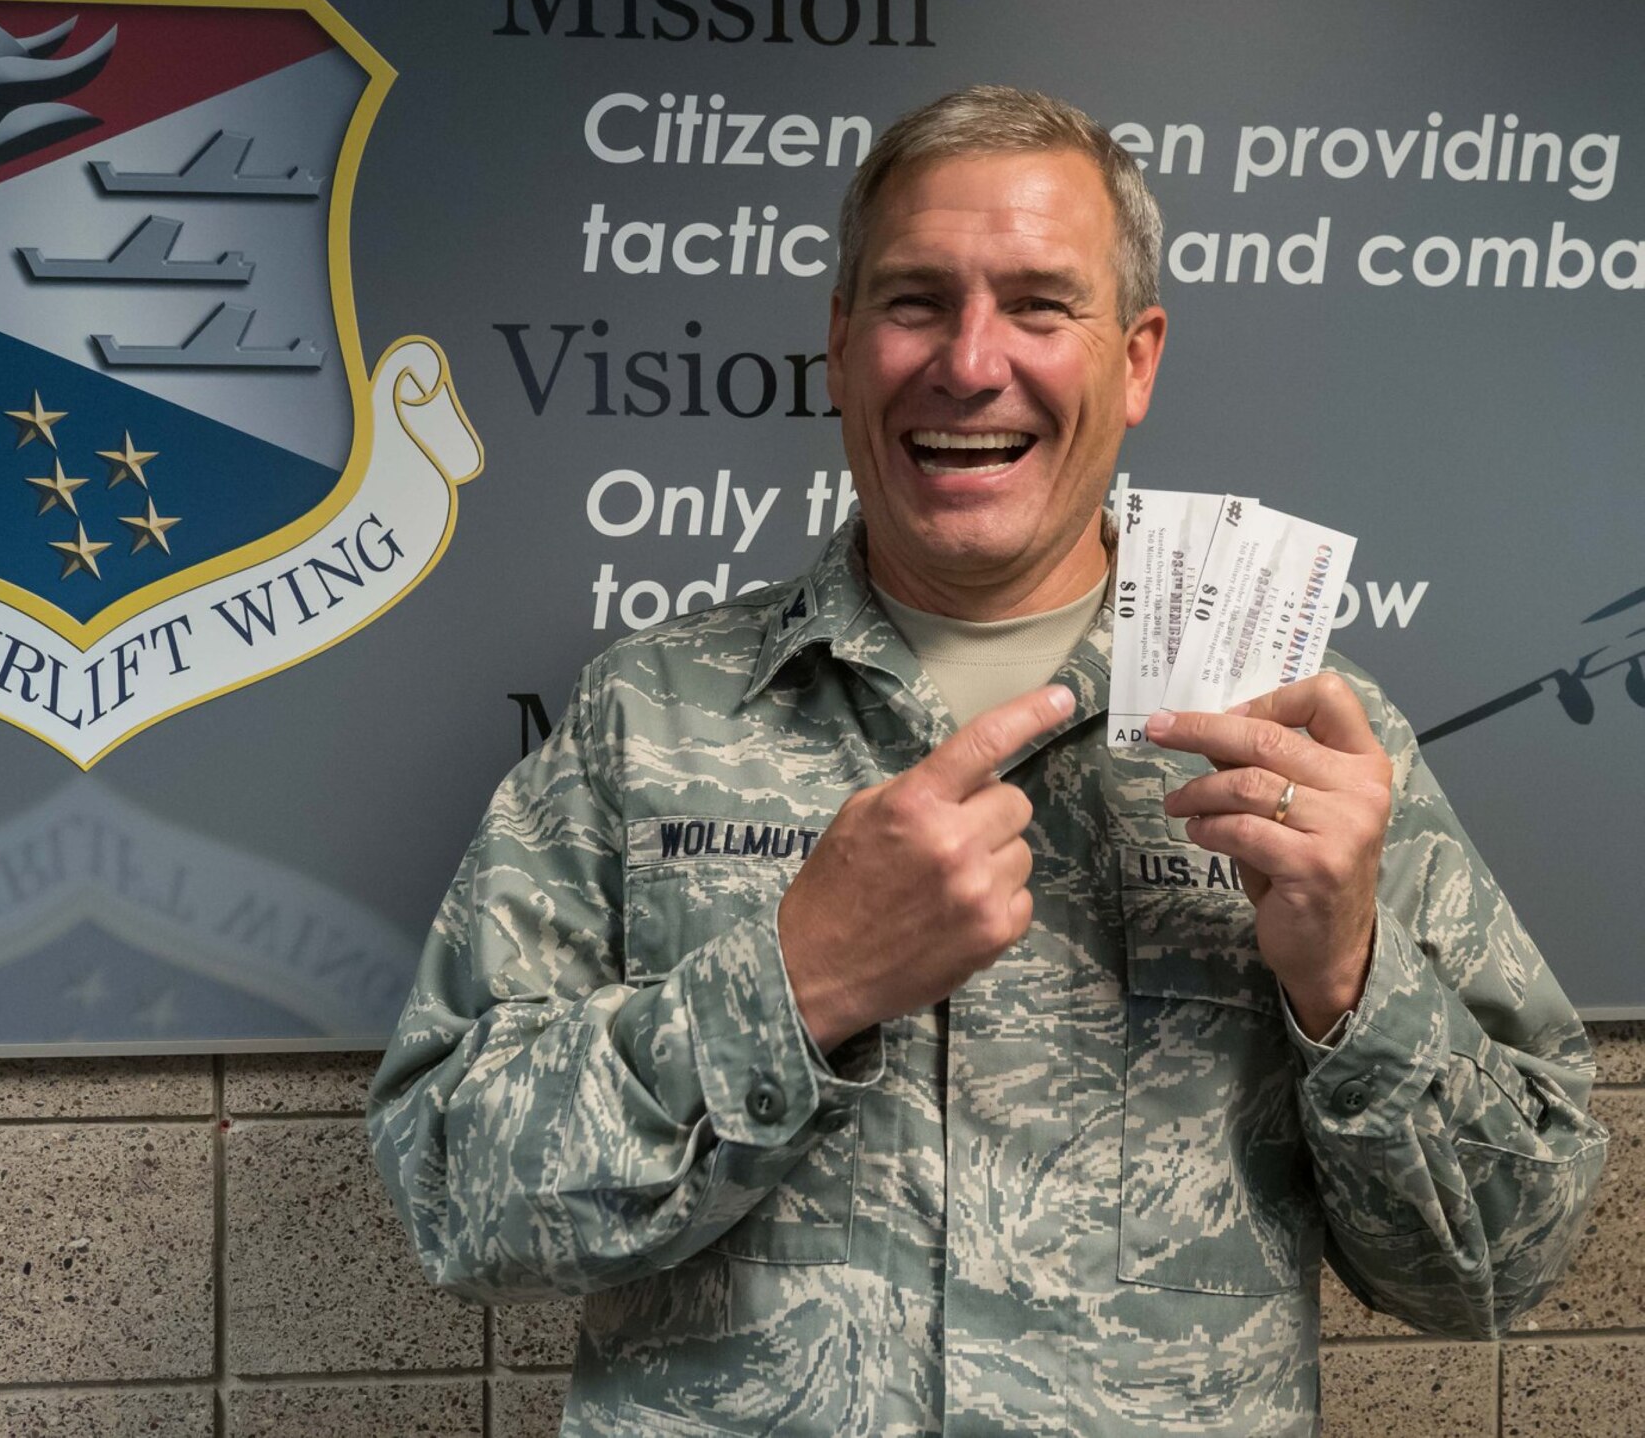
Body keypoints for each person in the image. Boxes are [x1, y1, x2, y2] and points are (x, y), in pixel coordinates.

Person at [367, 86, 1606, 1436]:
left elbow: (1502, 1259)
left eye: (1037, 304)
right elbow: (450, 1191)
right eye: (913, 301)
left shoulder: (1303, 729)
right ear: (839, 346)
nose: (968, 361)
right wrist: (795, 984)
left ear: (1135, 359)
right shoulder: (647, 716)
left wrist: (1350, 980)